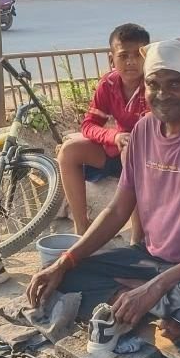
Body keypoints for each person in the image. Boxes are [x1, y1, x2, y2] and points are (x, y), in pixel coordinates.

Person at [29, 38, 180, 341]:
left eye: (175, 84)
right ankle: (143, 304)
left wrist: (156, 286)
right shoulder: (143, 130)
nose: (162, 94)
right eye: (153, 84)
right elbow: (117, 210)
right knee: (64, 275)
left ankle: (140, 301)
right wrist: (64, 261)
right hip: (150, 258)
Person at [57, 23, 150, 244]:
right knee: (68, 151)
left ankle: (137, 239)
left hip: (149, 155)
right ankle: (82, 227)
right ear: (111, 60)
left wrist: (126, 140)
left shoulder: (153, 84)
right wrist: (113, 137)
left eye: (138, 55)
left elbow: (154, 128)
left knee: (129, 151)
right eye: (123, 56)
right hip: (117, 146)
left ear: (148, 57)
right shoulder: (108, 84)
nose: (131, 61)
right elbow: (89, 125)